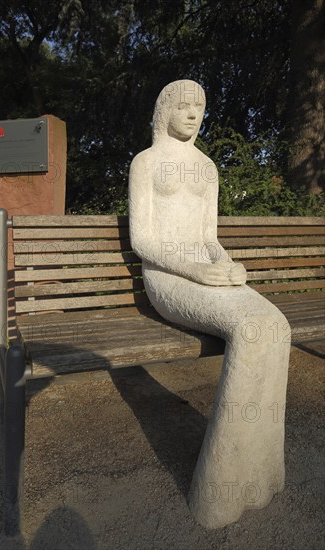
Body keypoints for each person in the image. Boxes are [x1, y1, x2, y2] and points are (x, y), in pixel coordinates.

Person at [129, 80, 290, 529]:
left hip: (208, 270)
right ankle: (215, 493)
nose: (194, 113)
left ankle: (259, 471)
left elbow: (209, 239)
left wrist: (228, 264)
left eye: (200, 106)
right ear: (165, 109)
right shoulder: (146, 163)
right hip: (168, 279)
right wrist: (197, 271)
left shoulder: (206, 168)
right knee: (250, 328)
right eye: (184, 105)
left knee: (275, 325)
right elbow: (142, 240)